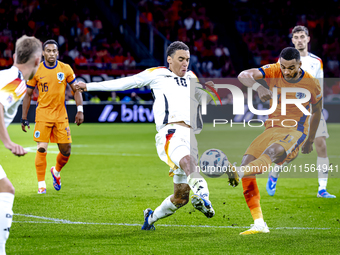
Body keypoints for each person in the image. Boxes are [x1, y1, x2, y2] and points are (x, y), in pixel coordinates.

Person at [76, 41, 239, 230]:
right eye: (180, 59)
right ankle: (204, 198)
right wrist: (88, 86)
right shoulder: (157, 74)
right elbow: (125, 83)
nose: (185, 64)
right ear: (169, 60)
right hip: (170, 133)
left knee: (181, 198)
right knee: (188, 162)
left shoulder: (192, 77)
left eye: (187, 60)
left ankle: (150, 218)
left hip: (189, 136)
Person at [236, 47, 322, 234]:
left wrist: (310, 140)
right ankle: (259, 223)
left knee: (272, 152)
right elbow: (243, 75)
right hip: (272, 128)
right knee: (247, 163)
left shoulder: (312, 83)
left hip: (295, 130)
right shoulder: (274, 70)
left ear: (299, 64)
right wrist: (258, 87)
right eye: (283, 67)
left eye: (291, 68)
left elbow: (317, 111)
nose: (286, 71)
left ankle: (238, 172)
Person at [266, 26, 336, 198]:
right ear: (292, 40)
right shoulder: (283, 61)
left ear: (308, 39)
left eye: (302, 36)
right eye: (296, 37)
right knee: (290, 152)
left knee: (321, 146)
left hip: (313, 110)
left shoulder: (316, 61)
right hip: (293, 111)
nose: (299, 40)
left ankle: (322, 189)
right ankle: (274, 174)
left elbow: (319, 87)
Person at [21, 39, 84, 194]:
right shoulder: (36, 70)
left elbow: (76, 89)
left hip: (61, 115)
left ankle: (56, 171)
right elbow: (28, 95)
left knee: (66, 150)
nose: (51, 53)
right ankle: (41, 184)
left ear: (57, 53)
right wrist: (24, 117)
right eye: (48, 51)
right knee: (41, 149)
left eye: (54, 51)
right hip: (42, 114)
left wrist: (80, 110)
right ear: (43, 53)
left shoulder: (65, 68)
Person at [0, 35, 42, 255]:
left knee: (5, 188)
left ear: (15, 56)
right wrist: (7, 141)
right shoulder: (17, 82)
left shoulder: (6, 75)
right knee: (6, 189)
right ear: (37, 61)